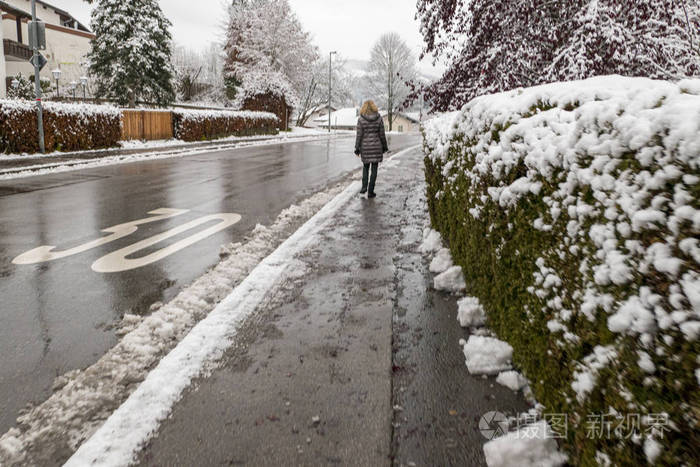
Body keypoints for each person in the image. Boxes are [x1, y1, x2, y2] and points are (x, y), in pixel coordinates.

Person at [354, 100, 388, 198]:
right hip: (376, 147)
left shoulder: (361, 119)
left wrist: (357, 148)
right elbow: (382, 134)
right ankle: (370, 191)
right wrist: (384, 146)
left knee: (365, 167)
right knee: (374, 169)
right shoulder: (379, 118)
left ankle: (364, 187)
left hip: (365, 147)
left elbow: (359, 135)